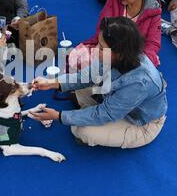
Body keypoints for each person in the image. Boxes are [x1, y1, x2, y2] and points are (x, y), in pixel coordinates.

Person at [31, 17, 167, 149]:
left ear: (120, 53)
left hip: (139, 123)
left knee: (81, 131)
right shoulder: (118, 57)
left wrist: (59, 116)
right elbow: (85, 76)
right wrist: (52, 83)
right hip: (115, 100)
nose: (97, 50)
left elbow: (105, 113)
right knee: (78, 89)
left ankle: (107, 127)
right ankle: (86, 112)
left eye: (101, 48)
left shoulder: (138, 84)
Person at [75, 0, 161, 68]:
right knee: (76, 59)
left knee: (139, 69)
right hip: (110, 49)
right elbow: (102, 29)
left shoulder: (153, 10)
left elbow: (153, 44)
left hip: (134, 54)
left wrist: (135, 62)